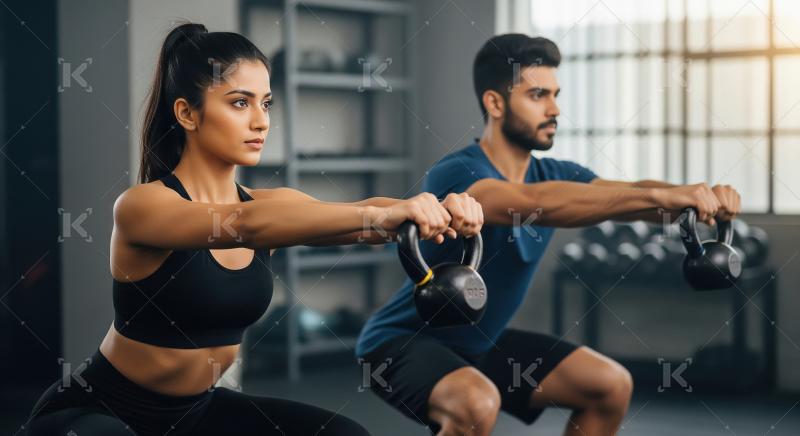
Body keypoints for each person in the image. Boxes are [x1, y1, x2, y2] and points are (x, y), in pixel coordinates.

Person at [24, 22, 484, 436]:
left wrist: (433, 208)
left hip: (196, 413)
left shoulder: (271, 206)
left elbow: (360, 213)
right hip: (101, 412)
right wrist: (383, 216)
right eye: (239, 103)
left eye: (265, 102)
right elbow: (242, 226)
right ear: (187, 114)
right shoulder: (144, 206)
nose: (261, 120)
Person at [356, 34, 742, 436]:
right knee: (475, 404)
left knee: (608, 385)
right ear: (495, 103)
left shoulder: (556, 173)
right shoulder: (459, 173)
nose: (555, 109)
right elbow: (529, 201)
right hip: (400, 343)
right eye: (538, 95)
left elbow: (616, 193)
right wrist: (662, 197)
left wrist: (698, 198)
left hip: (478, 344)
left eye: (556, 95)